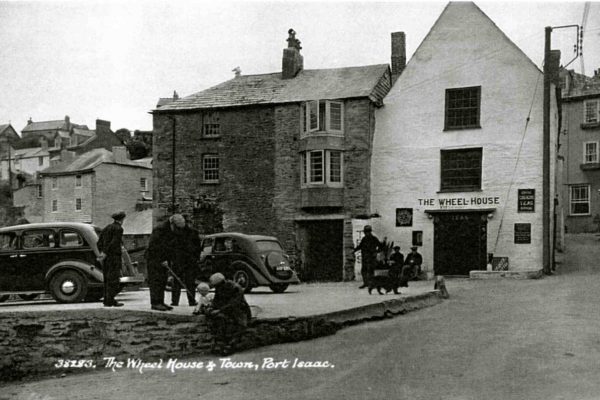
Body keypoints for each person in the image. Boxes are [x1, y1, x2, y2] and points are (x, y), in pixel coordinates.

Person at [207, 273, 251, 353]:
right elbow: (217, 300)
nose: (217, 288)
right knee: (219, 320)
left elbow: (234, 304)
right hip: (226, 310)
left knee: (239, 325)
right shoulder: (220, 288)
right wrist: (211, 308)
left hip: (239, 310)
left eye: (217, 286)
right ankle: (221, 343)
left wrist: (219, 310)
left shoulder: (236, 288)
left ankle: (231, 345)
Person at [145, 214, 180, 311]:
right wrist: (161, 259)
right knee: (156, 281)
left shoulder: (169, 229)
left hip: (163, 260)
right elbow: (154, 247)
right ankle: (155, 303)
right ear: (172, 223)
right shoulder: (160, 229)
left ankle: (161, 301)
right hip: (154, 260)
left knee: (162, 280)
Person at [170, 214, 202, 306]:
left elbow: (197, 248)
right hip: (184, 261)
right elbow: (198, 248)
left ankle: (177, 301)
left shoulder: (177, 233)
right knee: (187, 282)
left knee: (181, 282)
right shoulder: (192, 232)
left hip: (184, 261)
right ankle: (188, 301)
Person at [97, 211, 126, 307]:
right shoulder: (119, 229)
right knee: (114, 279)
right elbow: (114, 242)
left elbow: (99, 242)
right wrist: (106, 252)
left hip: (106, 258)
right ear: (122, 219)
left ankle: (107, 300)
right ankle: (110, 299)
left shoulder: (107, 228)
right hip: (114, 257)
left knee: (107, 279)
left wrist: (102, 252)